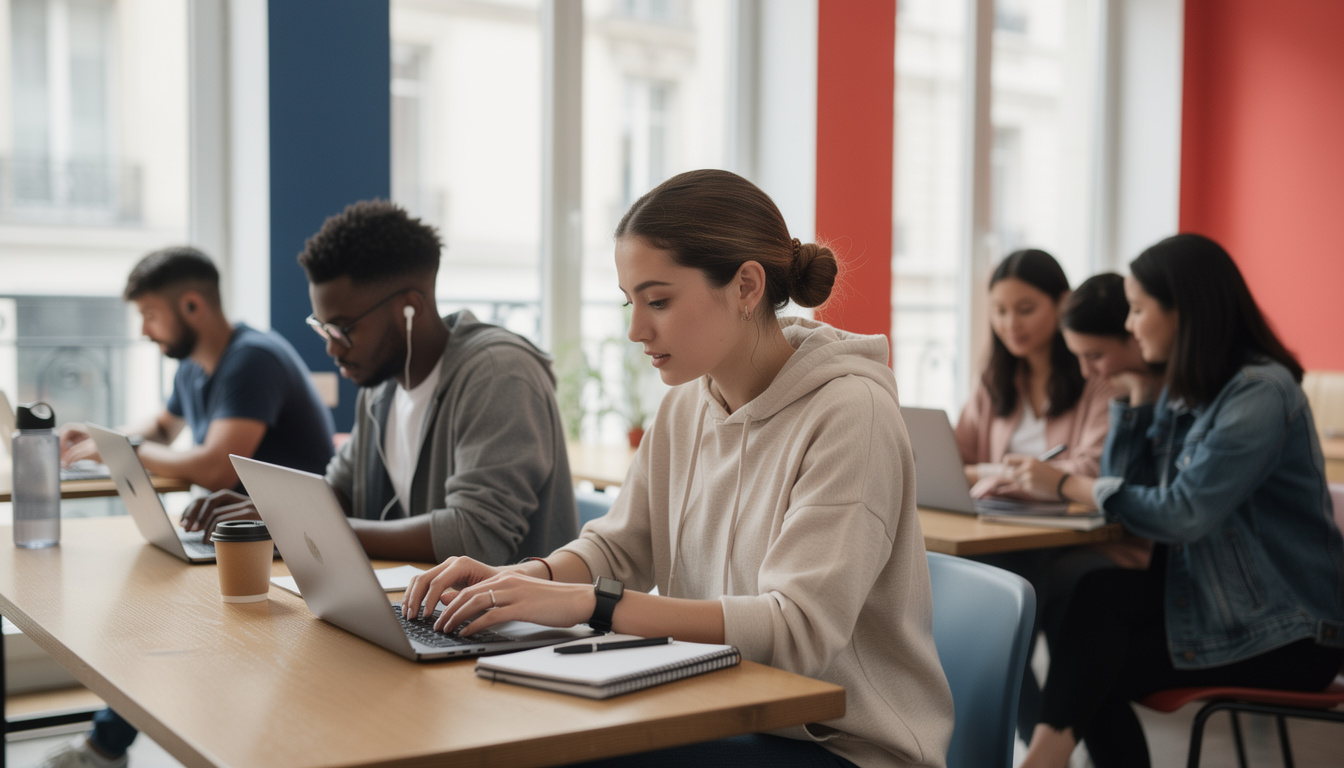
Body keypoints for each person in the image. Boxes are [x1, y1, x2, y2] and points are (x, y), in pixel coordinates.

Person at [401, 169, 954, 768]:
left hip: (840, 743)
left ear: (746, 286)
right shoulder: (686, 403)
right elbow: (618, 552)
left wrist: (593, 604)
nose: (637, 330)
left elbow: (796, 634)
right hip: (718, 703)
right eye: (630, 302)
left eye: (658, 301)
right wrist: (518, 578)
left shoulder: (852, 414)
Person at [1013, 234, 1344, 768]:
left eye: (1139, 309)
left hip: (1292, 632)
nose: (1129, 325)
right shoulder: (1189, 389)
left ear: (1183, 311)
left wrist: (1063, 483)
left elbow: (1182, 514)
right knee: (1091, 595)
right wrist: (1134, 399)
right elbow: (1127, 503)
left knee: (1097, 667)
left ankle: (1043, 759)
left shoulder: (1259, 392)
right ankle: (1045, 760)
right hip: (1218, 606)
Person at [45, 246, 336, 768]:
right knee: (142, 598)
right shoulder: (197, 368)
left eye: (151, 315)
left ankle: (108, 747)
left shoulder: (253, 359)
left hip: (285, 541)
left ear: (193, 307)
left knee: (151, 607)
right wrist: (97, 437)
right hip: (230, 534)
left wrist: (125, 451)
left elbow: (215, 467)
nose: (144, 331)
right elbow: (160, 429)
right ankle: (107, 745)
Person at [182, 200, 578, 565]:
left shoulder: (498, 374)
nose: (333, 350)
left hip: (517, 631)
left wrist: (302, 528)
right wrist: (272, 512)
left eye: (343, 329)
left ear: (411, 307)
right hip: (425, 614)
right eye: (324, 329)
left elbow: (474, 538)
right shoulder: (382, 387)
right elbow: (339, 491)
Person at [980, 273, 1156, 738]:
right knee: (997, 603)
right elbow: (961, 454)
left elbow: (1100, 473)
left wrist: (1040, 479)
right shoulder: (1000, 378)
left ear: (1060, 304)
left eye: (1025, 308)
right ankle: (1040, 741)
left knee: (1024, 605)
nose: (1009, 323)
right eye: (999, 310)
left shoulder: (1104, 378)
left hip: (1088, 543)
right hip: (1018, 534)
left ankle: (1041, 742)